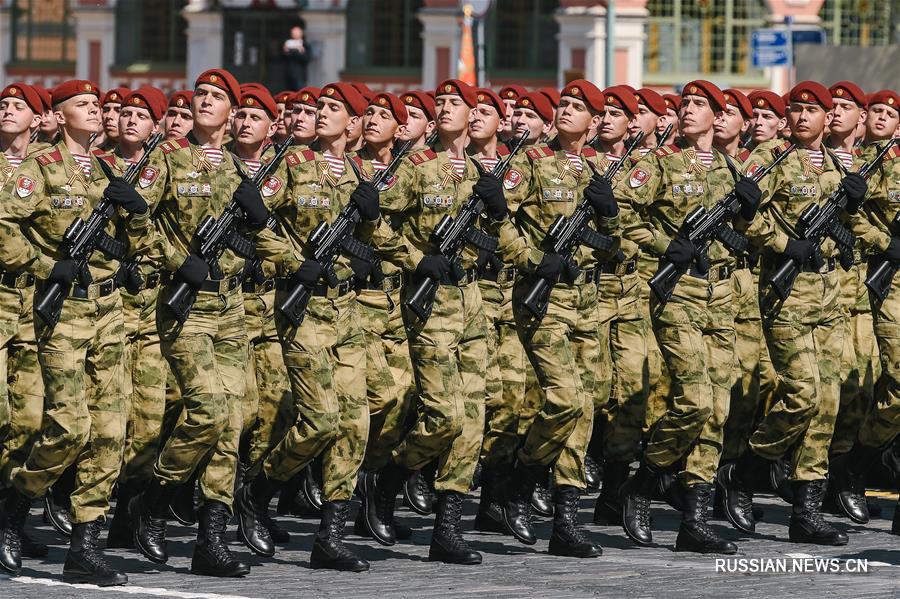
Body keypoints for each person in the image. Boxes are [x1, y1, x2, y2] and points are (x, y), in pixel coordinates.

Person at [0, 79, 151, 585]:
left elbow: (137, 246)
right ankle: (15, 505)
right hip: (62, 309)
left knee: (110, 431)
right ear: (60, 116)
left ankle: (84, 547)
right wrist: (46, 265)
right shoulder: (40, 167)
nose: (95, 109)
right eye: (83, 104)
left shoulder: (109, 169)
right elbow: (3, 225)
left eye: (97, 103)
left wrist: (135, 213)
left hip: (109, 310)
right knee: (70, 427)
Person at [129, 69, 271, 578]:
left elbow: (261, 243)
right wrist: (175, 260)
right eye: (200, 94)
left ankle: (211, 540)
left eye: (217, 97)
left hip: (230, 307)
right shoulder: (167, 158)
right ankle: (155, 498)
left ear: (231, 112)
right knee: (207, 411)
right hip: (185, 304)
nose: (206, 101)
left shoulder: (237, 168)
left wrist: (262, 222)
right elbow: (135, 220)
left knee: (232, 424)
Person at [615, 80, 760, 554]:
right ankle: (645, 480)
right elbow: (620, 211)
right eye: (685, 104)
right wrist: (664, 245)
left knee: (717, 410)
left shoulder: (731, 168)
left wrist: (749, 212)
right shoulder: (660, 163)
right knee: (694, 400)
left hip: (722, 293)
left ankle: (694, 520)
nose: (690, 110)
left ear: (718, 114)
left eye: (700, 104)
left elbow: (749, 233)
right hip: (678, 291)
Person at [236, 82, 374, 572]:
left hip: (347, 310)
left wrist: (372, 225)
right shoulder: (292, 164)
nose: (323, 114)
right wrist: (295, 263)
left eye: (335, 108)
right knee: (320, 420)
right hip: (304, 308)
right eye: (321, 107)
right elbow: (252, 222)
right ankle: (258, 489)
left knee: (355, 424)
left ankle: (329, 537)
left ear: (353, 123)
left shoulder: (359, 174)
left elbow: (373, 240)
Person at [718, 81, 863, 547]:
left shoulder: (839, 164)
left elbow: (852, 225)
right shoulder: (771, 159)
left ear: (827, 117)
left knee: (828, 402)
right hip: (788, 293)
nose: (802, 117)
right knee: (802, 393)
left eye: (812, 110)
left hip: (832, 293)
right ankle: (747, 470)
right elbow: (742, 216)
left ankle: (806, 511)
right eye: (796, 109)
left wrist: (854, 206)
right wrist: (784, 243)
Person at [283, 25, 311, 93]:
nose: (294, 34)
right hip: (289, 75)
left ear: (301, 34)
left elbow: (307, 58)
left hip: (300, 75)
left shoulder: (305, 45)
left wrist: (300, 52)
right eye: (293, 33)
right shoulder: (288, 44)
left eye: (296, 33)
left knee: (299, 93)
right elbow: (282, 58)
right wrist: (285, 51)